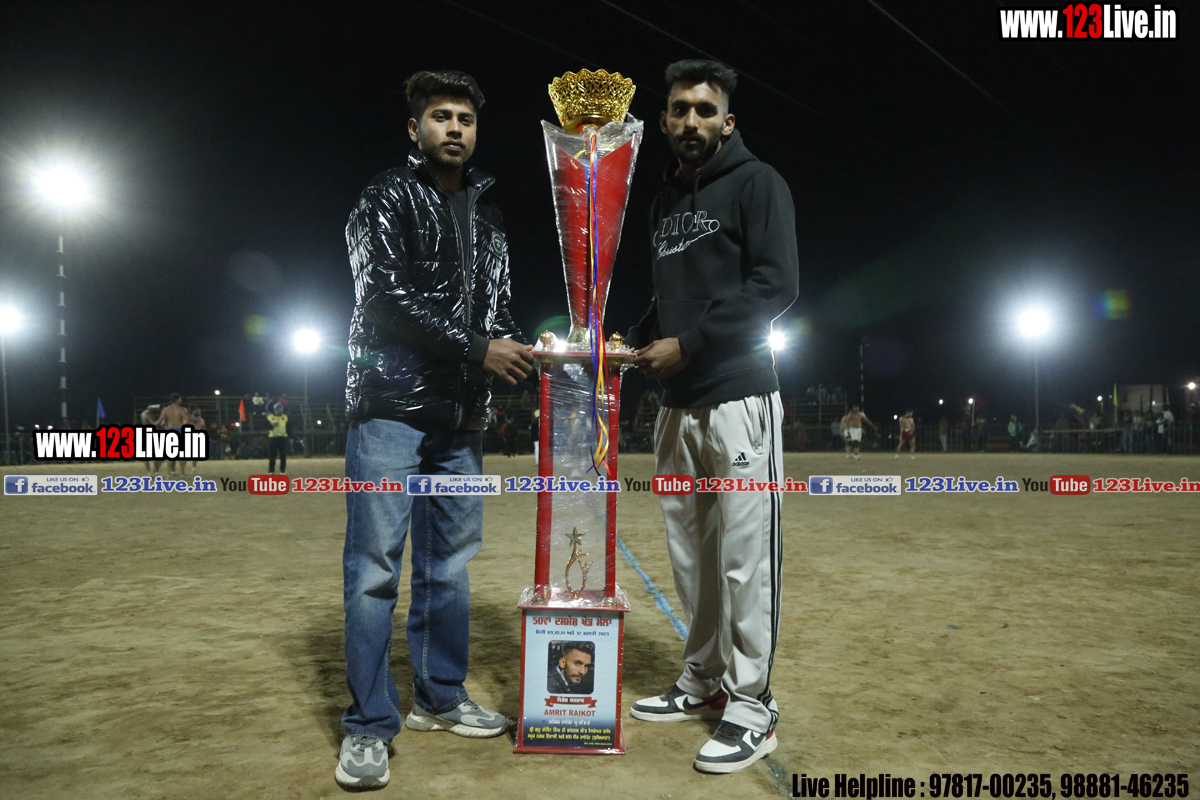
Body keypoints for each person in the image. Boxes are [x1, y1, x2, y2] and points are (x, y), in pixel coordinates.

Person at [336, 70, 533, 790]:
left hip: (461, 420)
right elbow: (383, 299)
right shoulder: (386, 196)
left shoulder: (490, 217)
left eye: (466, 119)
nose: (455, 128)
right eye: (441, 116)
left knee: (449, 567)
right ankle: (368, 725)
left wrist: (530, 353)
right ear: (415, 128)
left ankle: (440, 698)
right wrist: (480, 349)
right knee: (375, 572)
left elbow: (499, 311)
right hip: (389, 410)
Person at [626, 60, 798, 774]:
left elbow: (777, 284)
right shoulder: (663, 198)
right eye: (678, 109)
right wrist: (628, 343)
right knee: (692, 558)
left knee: (743, 563)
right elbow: (670, 299)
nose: (690, 120)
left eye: (704, 109)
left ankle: (753, 705)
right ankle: (702, 676)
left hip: (738, 399)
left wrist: (690, 344)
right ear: (664, 120)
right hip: (678, 407)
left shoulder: (759, 183)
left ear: (727, 121)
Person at [157, 394, 193, 475]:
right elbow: (188, 418)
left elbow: (159, 421)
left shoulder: (166, 409)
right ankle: (182, 472)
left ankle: (169, 472)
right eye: (180, 399)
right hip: (179, 430)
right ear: (177, 400)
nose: (181, 401)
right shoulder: (181, 409)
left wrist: (153, 423)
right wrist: (191, 419)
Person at [266, 403, 289, 475]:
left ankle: (282, 471)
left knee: (283, 455)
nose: (282, 410)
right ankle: (271, 471)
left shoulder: (285, 417)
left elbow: (288, 427)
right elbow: (265, 426)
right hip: (273, 437)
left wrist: (291, 436)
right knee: (272, 455)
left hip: (283, 437)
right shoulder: (270, 417)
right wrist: (271, 426)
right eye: (280, 408)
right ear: (276, 409)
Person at [140, 404, 162, 473]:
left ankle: (149, 472)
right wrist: (160, 423)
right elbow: (153, 423)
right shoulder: (148, 414)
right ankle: (156, 472)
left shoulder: (143, 413)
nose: (157, 410)